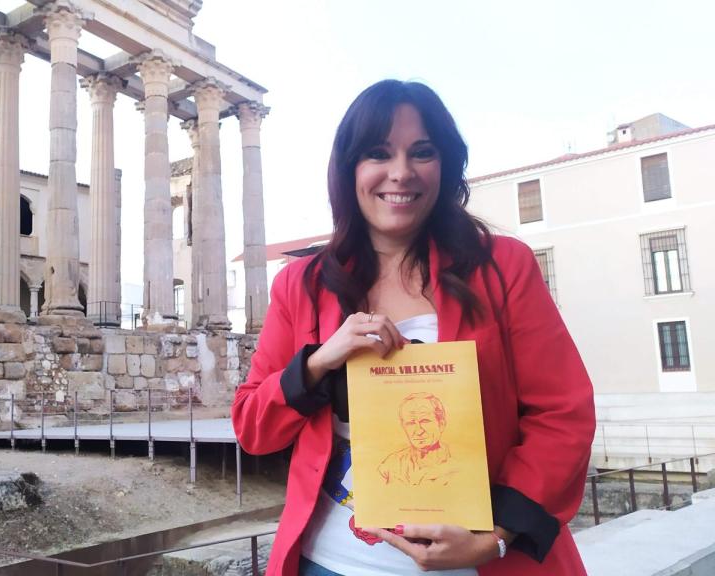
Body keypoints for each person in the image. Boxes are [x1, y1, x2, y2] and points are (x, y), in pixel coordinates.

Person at [232, 79, 595, 576]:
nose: (400, 173)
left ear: (444, 166)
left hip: (473, 565)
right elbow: (253, 427)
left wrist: (495, 538)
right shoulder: (301, 284)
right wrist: (318, 364)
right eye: (379, 153)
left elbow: (563, 414)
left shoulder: (503, 267)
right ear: (349, 169)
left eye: (421, 152)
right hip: (329, 562)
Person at [378, 393, 458, 486]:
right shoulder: (391, 463)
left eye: (425, 421)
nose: (419, 431)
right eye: (411, 423)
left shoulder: (457, 465)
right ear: (403, 427)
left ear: (441, 425)